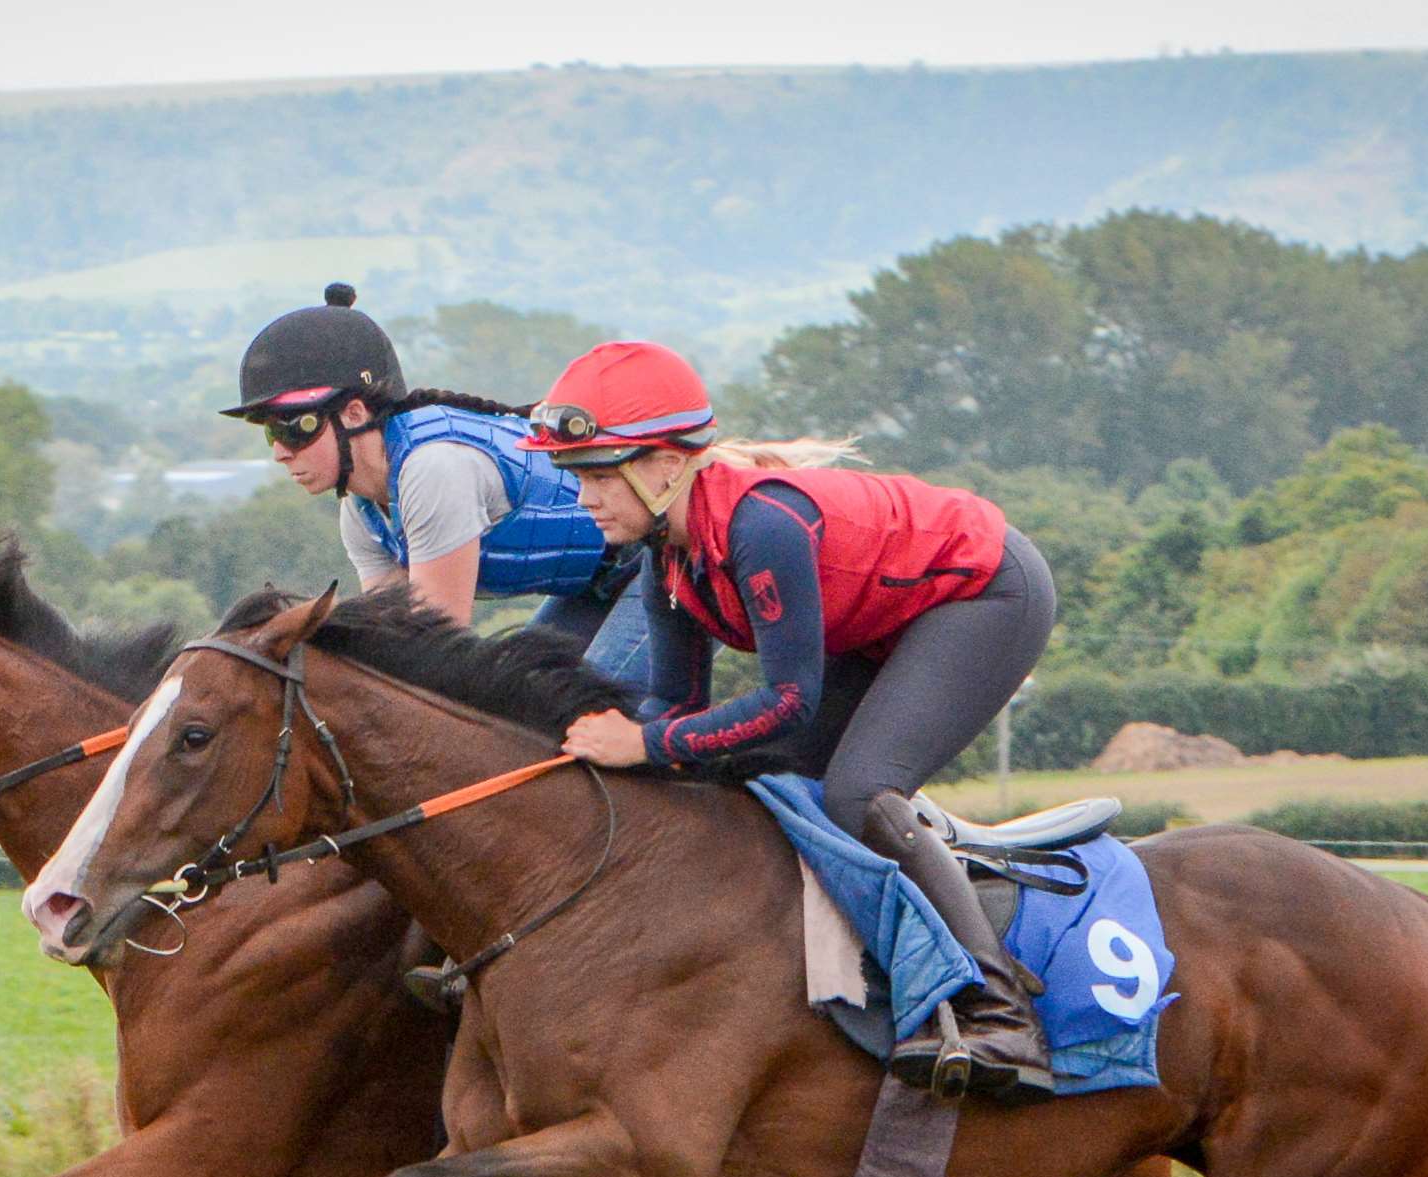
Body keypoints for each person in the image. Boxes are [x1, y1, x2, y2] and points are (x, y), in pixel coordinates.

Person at [526, 340, 1059, 1104]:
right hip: (891, 620)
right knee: (778, 784)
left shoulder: (761, 526)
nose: (584, 496)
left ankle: (1000, 1008)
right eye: (576, 476)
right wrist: (574, 745)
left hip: (985, 593)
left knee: (857, 793)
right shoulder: (665, 560)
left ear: (668, 465)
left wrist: (642, 742)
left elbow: (786, 702)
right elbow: (673, 709)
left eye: (599, 474)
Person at [222, 284, 644, 664]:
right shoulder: (361, 513)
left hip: (658, 562)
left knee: (597, 724)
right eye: (269, 433)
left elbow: (435, 653)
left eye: (294, 428)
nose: (280, 452)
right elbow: (392, 644)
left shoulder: (433, 470)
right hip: (594, 582)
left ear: (354, 413)